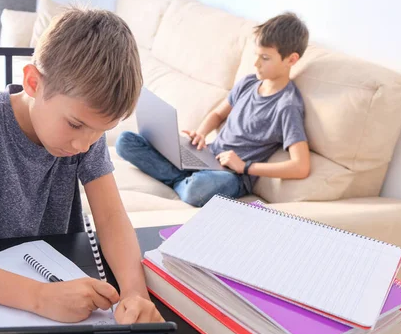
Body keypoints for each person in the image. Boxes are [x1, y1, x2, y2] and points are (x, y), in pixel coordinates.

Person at [0, 7, 163, 325]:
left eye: (100, 132)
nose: (84, 145)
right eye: (75, 125)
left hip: (59, 280)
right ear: (33, 82)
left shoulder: (84, 134)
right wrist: (38, 297)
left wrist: (135, 292)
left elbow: (110, 217)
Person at [116, 12, 311, 207]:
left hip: (231, 176)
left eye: (265, 58)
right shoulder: (248, 83)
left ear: (291, 60)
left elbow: (301, 166)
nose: (256, 64)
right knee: (125, 142)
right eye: (257, 55)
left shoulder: (287, 106)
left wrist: (245, 167)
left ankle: (179, 179)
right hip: (207, 156)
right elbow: (218, 114)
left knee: (197, 189)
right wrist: (200, 134)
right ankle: (180, 179)